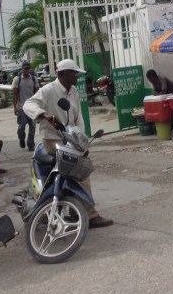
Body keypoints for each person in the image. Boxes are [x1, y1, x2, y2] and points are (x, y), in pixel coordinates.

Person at [22, 59, 113, 229]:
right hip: (53, 140)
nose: (76, 76)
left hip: (70, 139)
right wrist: (43, 115)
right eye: (73, 72)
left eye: (76, 73)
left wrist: (82, 143)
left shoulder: (74, 91)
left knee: (81, 170)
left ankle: (76, 210)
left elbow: (78, 118)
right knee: (81, 173)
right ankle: (91, 215)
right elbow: (28, 104)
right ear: (62, 74)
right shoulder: (49, 90)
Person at [12, 61, 40, 150]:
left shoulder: (34, 79)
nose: (27, 70)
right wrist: (15, 108)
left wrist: (39, 106)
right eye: (25, 68)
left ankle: (30, 144)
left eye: (28, 68)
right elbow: (15, 95)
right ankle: (21, 138)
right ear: (23, 69)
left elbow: (37, 93)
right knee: (21, 126)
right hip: (22, 107)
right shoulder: (18, 79)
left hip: (32, 107)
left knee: (33, 126)